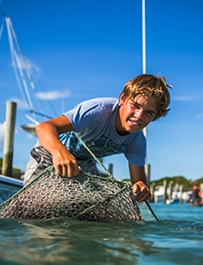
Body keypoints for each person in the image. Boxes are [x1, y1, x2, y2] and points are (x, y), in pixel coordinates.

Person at [23, 74, 171, 203]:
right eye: (135, 106)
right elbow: (44, 127)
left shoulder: (137, 142)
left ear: (155, 117)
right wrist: (58, 151)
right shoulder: (98, 111)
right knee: (33, 203)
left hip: (85, 163)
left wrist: (141, 188)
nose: (139, 116)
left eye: (149, 113)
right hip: (51, 151)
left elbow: (138, 181)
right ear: (122, 98)